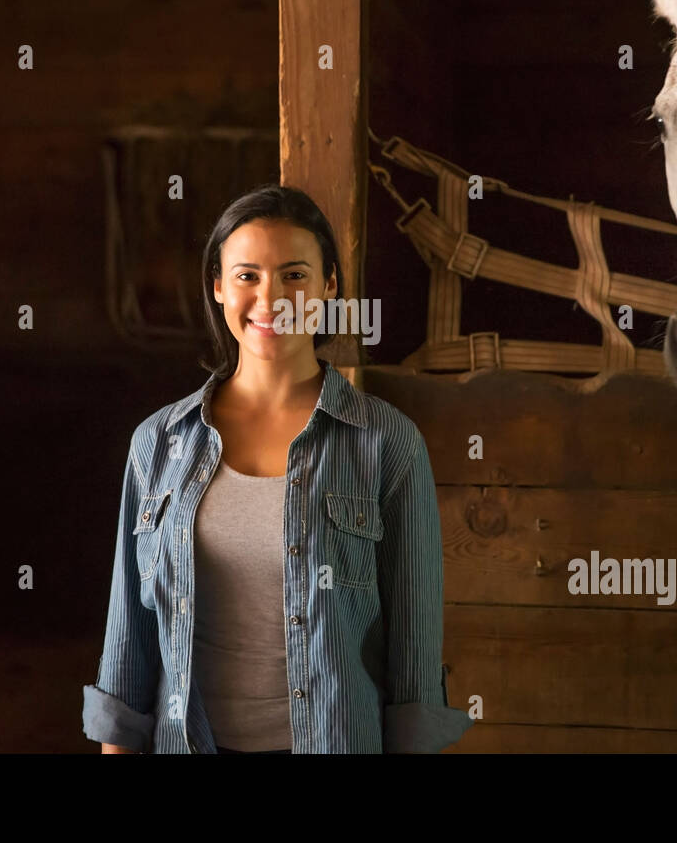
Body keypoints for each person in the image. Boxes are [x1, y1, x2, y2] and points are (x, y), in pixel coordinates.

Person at [81, 183, 473, 753]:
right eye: (247, 276)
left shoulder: (386, 443)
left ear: (329, 285)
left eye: (294, 275)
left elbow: (413, 662)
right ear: (217, 284)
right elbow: (129, 646)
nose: (271, 300)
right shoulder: (158, 444)